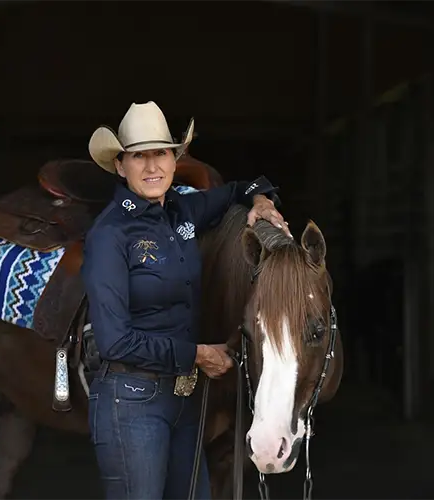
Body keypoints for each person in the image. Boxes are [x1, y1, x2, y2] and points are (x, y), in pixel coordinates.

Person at [81, 101, 288, 500]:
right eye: (139, 156)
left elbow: (239, 189)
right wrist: (198, 355)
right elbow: (114, 341)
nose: (152, 166)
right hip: (131, 401)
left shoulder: (183, 210)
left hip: (185, 401)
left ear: (175, 160)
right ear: (121, 166)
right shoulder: (110, 235)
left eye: (160, 153)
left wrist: (262, 201)